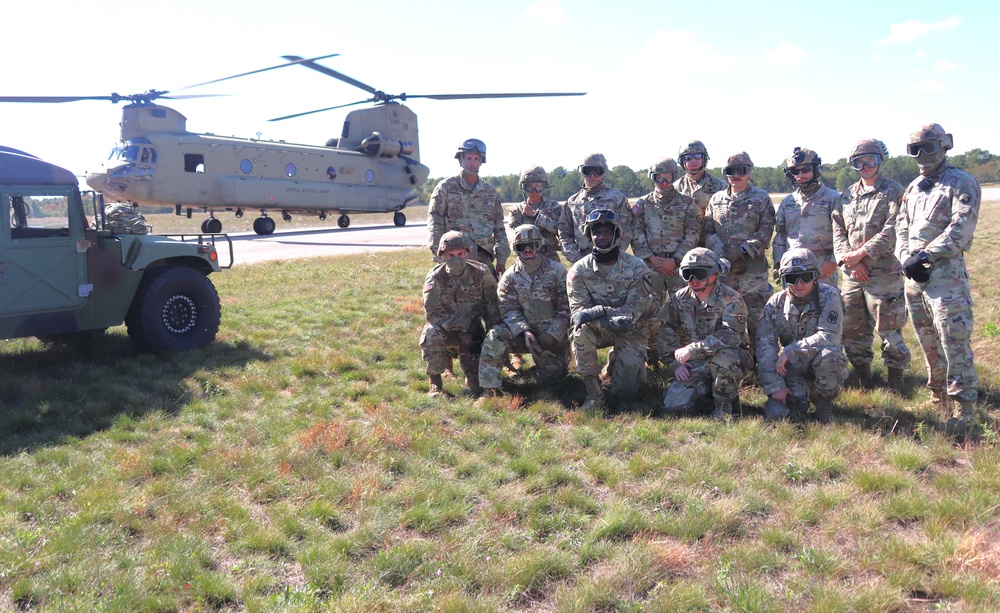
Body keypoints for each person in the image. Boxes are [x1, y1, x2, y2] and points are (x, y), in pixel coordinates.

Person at [896, 123, 980, 429]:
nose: (921, 155)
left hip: (946, 279)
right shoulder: (914, 187)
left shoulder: (961, 182)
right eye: (914, 150)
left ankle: (963, 410)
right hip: (915, 279)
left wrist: (924, 256)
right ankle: (939, 398)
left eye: (927, 148)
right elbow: (901, 226)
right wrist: (905, 257)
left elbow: (961, 228)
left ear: (944, 146)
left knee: (953, 343)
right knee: (928, 343)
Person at [832, 139, 910, 390]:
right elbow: (838, 231)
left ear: (880, 160)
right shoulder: (846, 196)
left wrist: (862, 254)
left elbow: (894, 229)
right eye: (859, 162)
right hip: (852, 274)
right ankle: (863, 378)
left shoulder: (894, 191)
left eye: (870, 161)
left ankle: (896, 383)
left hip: (884, 273)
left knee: (890, 328)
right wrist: (850, 261)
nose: (865, 166)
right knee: (853, 328)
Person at [567, 209, 656, 411]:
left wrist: (599, 311)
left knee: (624, 395)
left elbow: (633, 311)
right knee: (580, 333)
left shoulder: (637, 267)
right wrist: (605, 318)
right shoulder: (579, 271)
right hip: (599, 329)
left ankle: (617, 362)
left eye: (607, 232)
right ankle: (594, 394)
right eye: (597, 232)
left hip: (631, 328)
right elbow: (579, 314)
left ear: (616, 234)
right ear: (590, 236)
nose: (602, 236)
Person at [478, 225, 570, 402]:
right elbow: (508, 309)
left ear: (540, 246)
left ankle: (537, 370)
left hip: (551, 335)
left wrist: (551, 334)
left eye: (532, 245)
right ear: (516, 249)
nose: (528, 250)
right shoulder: (510, 277)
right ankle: (489, 390)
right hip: (520, 335)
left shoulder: (558, 272)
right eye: (522, 247)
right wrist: (524, 332)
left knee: (554, 381)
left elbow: (567, 309)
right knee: (495, 336)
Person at [757, 248, 849, 423]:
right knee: (779, 414)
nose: (799, 284)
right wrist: (776, 387)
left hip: (822, 366)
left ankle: (824, 406)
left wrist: (791, 350)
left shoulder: (829, 296)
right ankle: (802, 399)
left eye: (805, 277)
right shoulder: (775, 304)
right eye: (792, 279)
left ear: (815, 276)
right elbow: (765, 348)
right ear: (783, 279)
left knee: (830, 356)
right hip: (793, 370)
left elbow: (830, 336)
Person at [660, 248, 753, 419]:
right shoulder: (679, 299)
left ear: (714, 274)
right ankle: (710, 393)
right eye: (688, 274)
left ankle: (725, 410)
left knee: (722, 360)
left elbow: (731, 335)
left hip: (732, 356)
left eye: (699, 274)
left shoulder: (731, 299)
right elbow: (667, 331)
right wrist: (676, 364)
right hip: (696, 361)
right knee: (673, 406)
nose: (693, 280)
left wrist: (691, 350)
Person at [630, 157, 701, 363]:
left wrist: (676, 260)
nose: (663, 182)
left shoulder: (687, 203)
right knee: (651, 311)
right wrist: (652, 259)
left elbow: (693, 233)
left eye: (667, 177)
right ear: (652, 178)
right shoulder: (643, 204)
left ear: (673, 177)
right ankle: (652, 354)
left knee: (685, 310)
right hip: (652, 267)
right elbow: (637, 233)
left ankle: (686, 355)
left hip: (679, 268)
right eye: (658, 177)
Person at [703, 152, 776, 352]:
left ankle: (764, 365)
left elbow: (766, 230)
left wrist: (743, 251)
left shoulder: (761, 198)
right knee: (724, 320)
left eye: (741, 171)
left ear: (749, 172)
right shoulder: (716, 199)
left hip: (753, 274)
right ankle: (731, 363)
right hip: (724, 272)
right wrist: (724, 254)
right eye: (730, 171)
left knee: (758, 322)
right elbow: (708, 229)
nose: (736, 175)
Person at [420, 231, 501, 397]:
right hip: (447, 330)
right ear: (442, 256)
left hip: (472, 333)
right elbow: (433, 315)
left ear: (467, 253)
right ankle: (435, 382)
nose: (456, 259)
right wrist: (463, 324)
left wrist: (493, 336)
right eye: (451, 255)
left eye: (460, 254)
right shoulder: (435, 277)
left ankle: (473, 376)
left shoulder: (481, 273)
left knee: (475, 386)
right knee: (430, 332)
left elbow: (492, 306)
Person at [427, 138, 510, 277]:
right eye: (469, 158)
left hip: (484, 258)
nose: (472, 163)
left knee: (489, 296)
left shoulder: (489, 191)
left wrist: (501, 259)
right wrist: (439, 255)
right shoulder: (446, 188)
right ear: (461, 161)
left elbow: (499, 227)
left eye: (476, 159)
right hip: (454, 256)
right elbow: (435, 222)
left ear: (481, 161)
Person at [774, 147, 840, 287]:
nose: (800, 174)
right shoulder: (788, 202)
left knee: (824, 304)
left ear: (816, 170)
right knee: (793, 307)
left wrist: (833, 261)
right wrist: (779, 262)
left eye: (805, 170)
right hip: (792, 265)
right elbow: (780, 235)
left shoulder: (833, 198)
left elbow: (842, 234)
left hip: (822, 266)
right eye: (796, 171)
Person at [558, 153, 634, 263]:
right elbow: (564, 234)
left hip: (613, 261)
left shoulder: (618, 199)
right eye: (587, 171)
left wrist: (613, 257)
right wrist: (577, 259)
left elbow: (626, 232)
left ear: (604, 173)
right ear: (581, 172)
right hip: (583, 261)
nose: (592, 176)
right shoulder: (572, 202)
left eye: (597, 171)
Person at [674, 140, 728, 247]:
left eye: (697, 156)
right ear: (682, 161)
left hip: (714, 244)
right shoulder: (676, 188)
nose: (693, 161)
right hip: (685, 245)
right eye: (688, 157)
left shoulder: (721, 186)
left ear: (704, 158)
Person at [507, 165, 563, 262]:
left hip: (550, 259)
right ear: (523, 188)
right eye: (529, 187)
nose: (534, 191)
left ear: (544, 187)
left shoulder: (554, 207)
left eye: (538, 186)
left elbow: (560, 230)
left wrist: (536, 215)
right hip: (525, 259)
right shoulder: (517, 211)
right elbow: (516, 238)